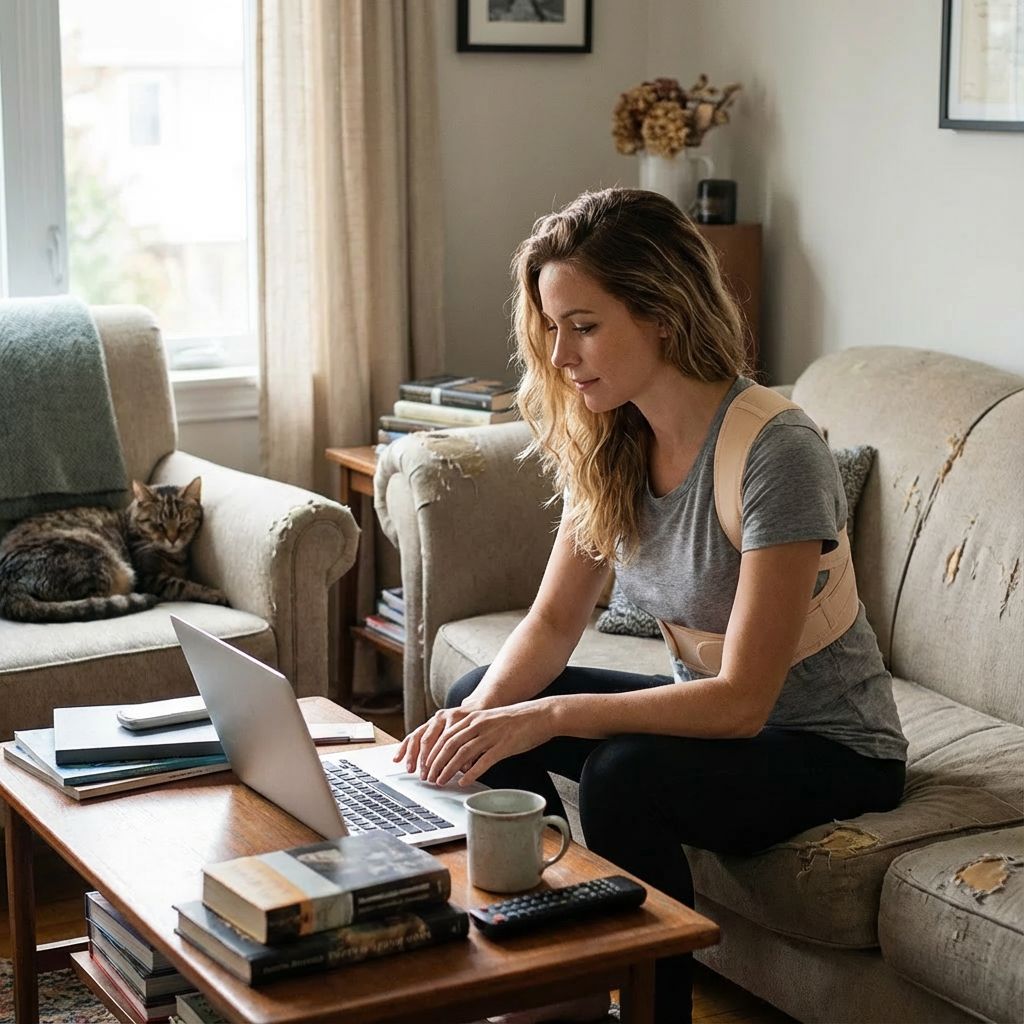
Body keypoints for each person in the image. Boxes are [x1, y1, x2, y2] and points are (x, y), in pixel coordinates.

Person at [394, 188, 908, 1024]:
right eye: (552, 327)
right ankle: (551, 978)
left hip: (827, 743)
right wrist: (470, 729)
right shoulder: (614, 438)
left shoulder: (777, 451)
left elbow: (744, 704)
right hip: (722, 723)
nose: (561, 354)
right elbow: (555, 623)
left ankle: (650, 1010)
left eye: (585, 325)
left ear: (662, 312)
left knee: (625, 775)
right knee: (477, 698)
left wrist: (552, 717)